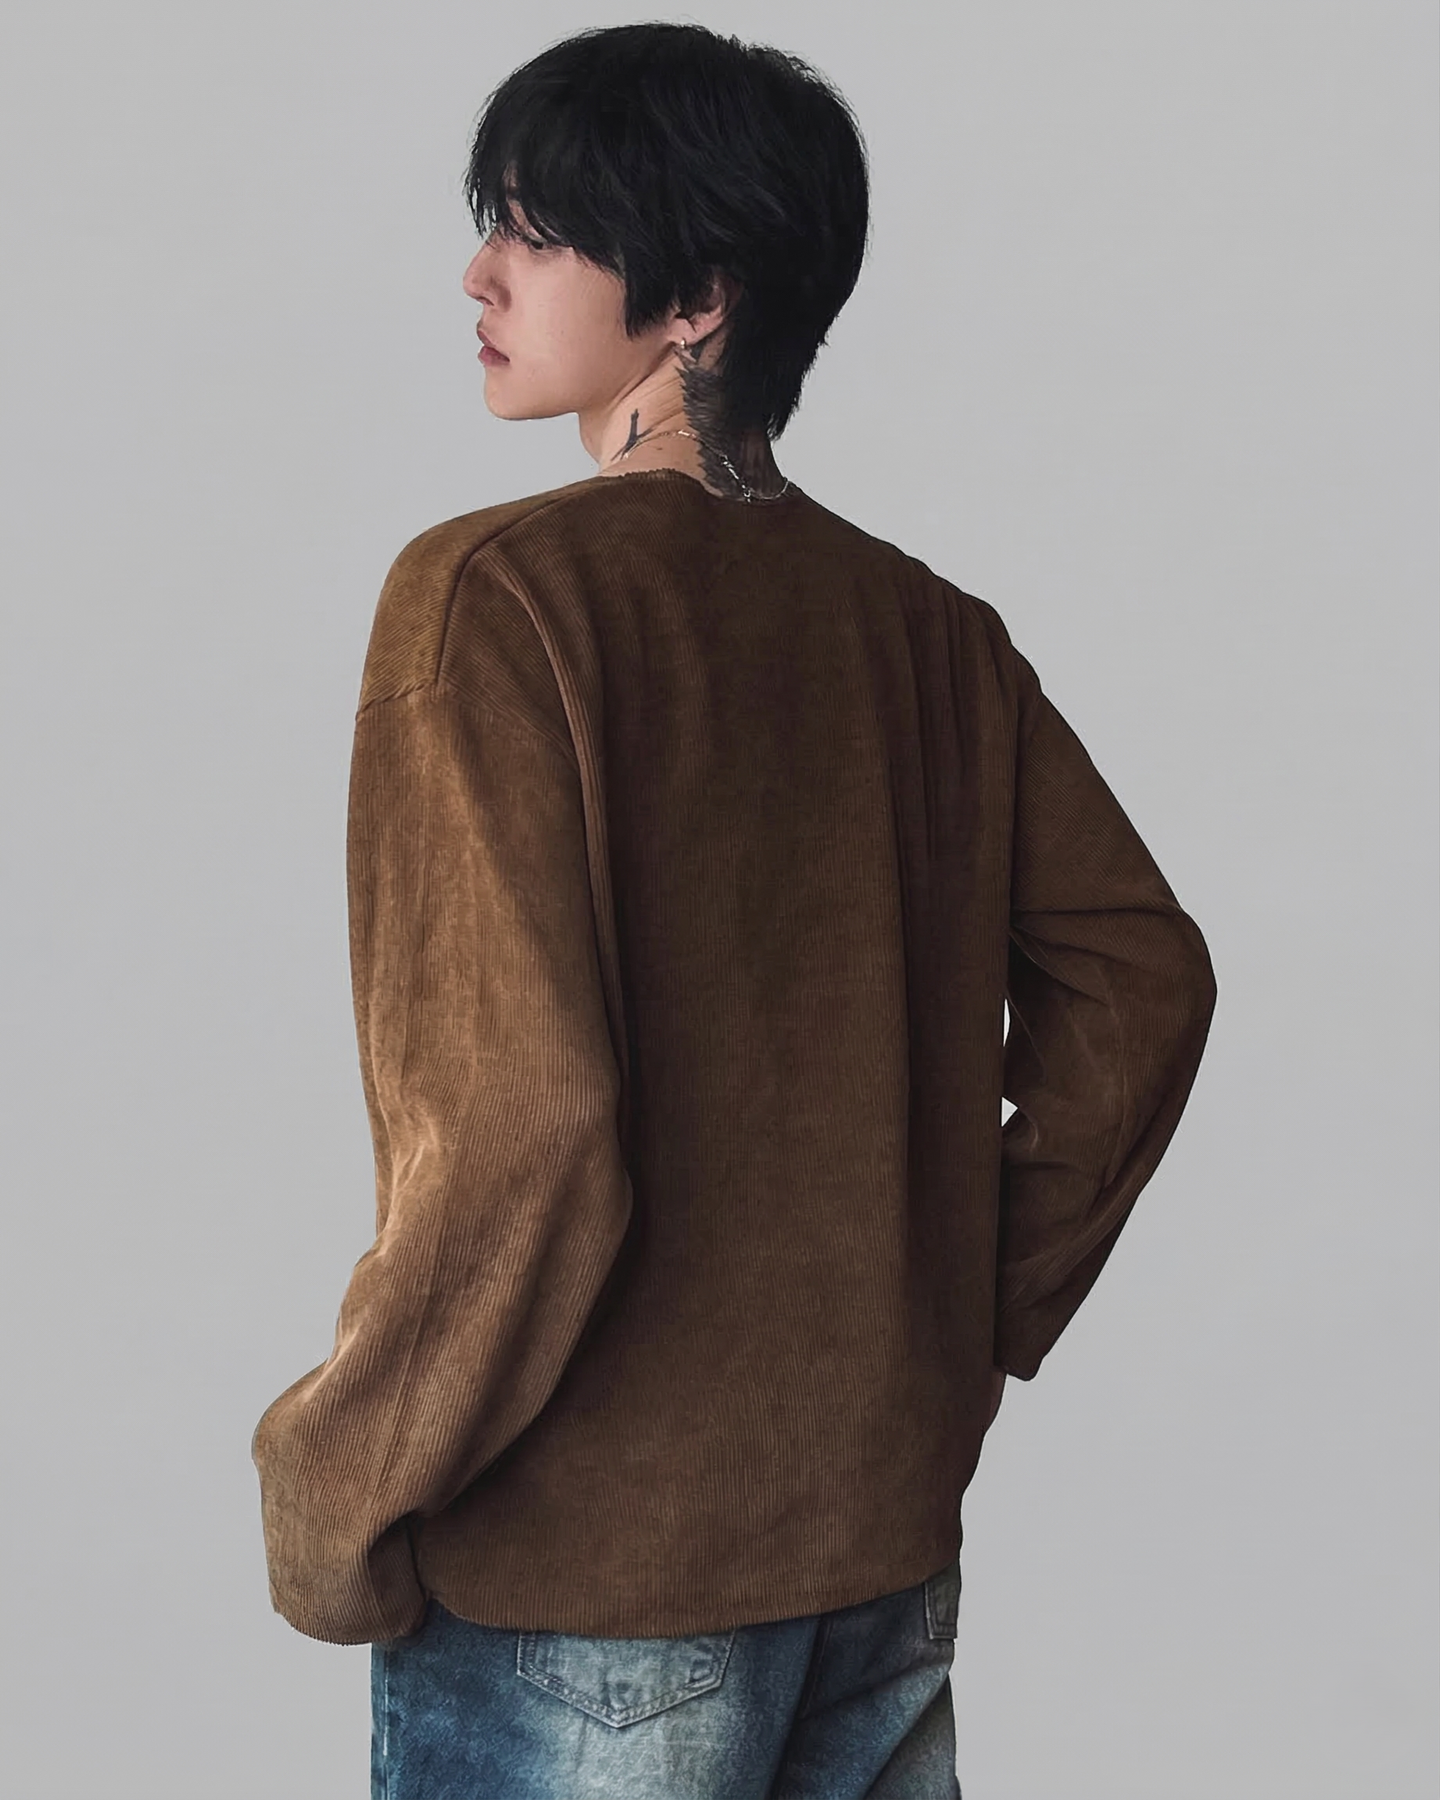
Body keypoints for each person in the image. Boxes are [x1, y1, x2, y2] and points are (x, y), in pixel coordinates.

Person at [250, 22, 1218, 1799]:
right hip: (873, 1551)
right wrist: (957, 1318)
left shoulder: (493, 599)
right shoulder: (930, 635)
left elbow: (519, 1132)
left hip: (585, 1586)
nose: (478, 274)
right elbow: (1142, 981)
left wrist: (335, 1489)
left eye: (537, 231)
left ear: (698, 298)